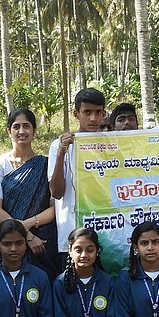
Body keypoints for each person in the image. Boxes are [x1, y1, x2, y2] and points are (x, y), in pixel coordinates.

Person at [0, 108, 58, 278]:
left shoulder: (46, 164)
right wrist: (26, 235)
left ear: (34, 130)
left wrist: (28, 224)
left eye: (26, 126)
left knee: (43, 283)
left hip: (43, 242)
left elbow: (54, 207)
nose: (21, 131)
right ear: (9, 131)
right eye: (16, 126)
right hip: (10, 241)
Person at [48, 88, 107, 255]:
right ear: (76, 114)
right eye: (87, 112)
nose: (93, 118)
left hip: (107, 232)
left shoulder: (111, 145)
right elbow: (56, 193)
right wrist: (62, 153)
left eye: (98, 112)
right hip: (72, 233)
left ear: (104, 114)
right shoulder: (58, 146)